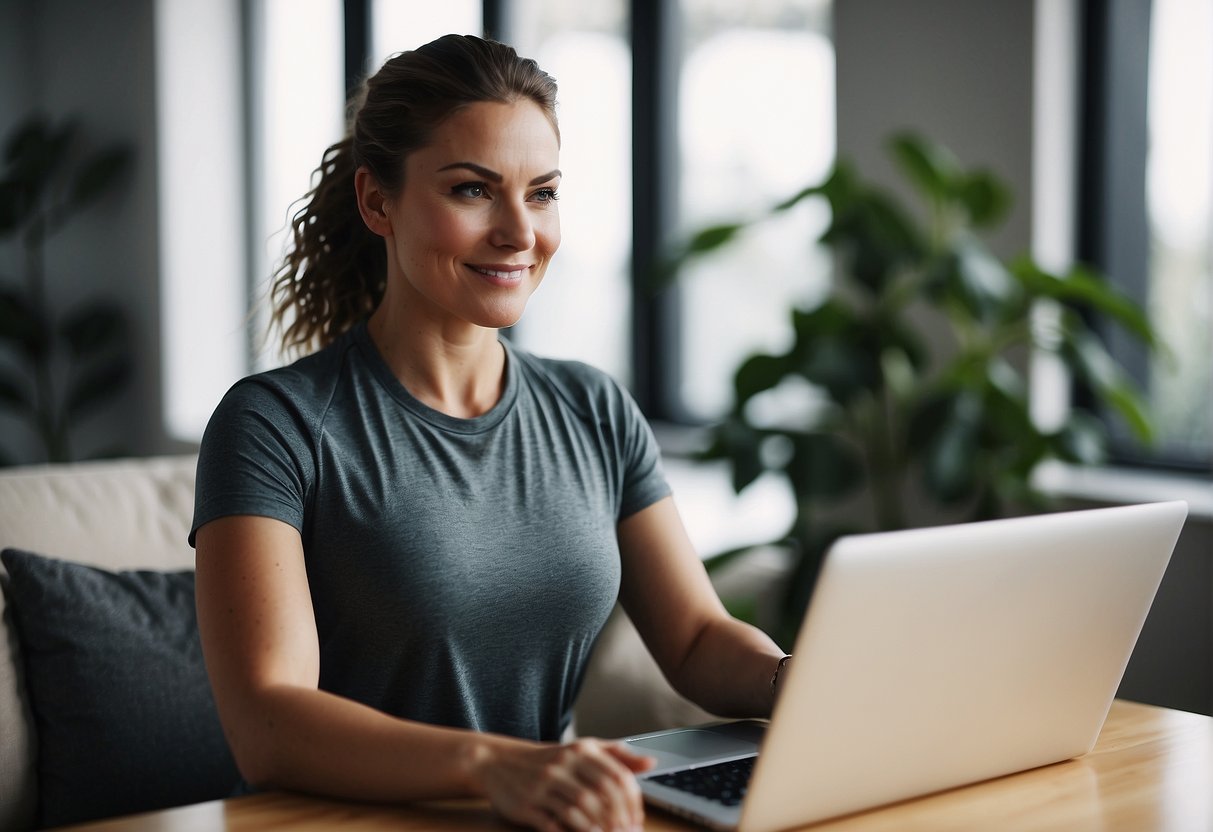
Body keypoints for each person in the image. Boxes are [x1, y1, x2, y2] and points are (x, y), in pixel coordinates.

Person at [191, 33, 790, 832]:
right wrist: (489, 763)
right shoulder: (274, 424)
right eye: (474, 190)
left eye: (540, 193)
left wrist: (793, 680)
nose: (518, 231)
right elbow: (269, 721)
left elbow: (694, 639)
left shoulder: (592, 407)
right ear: (378, 202)